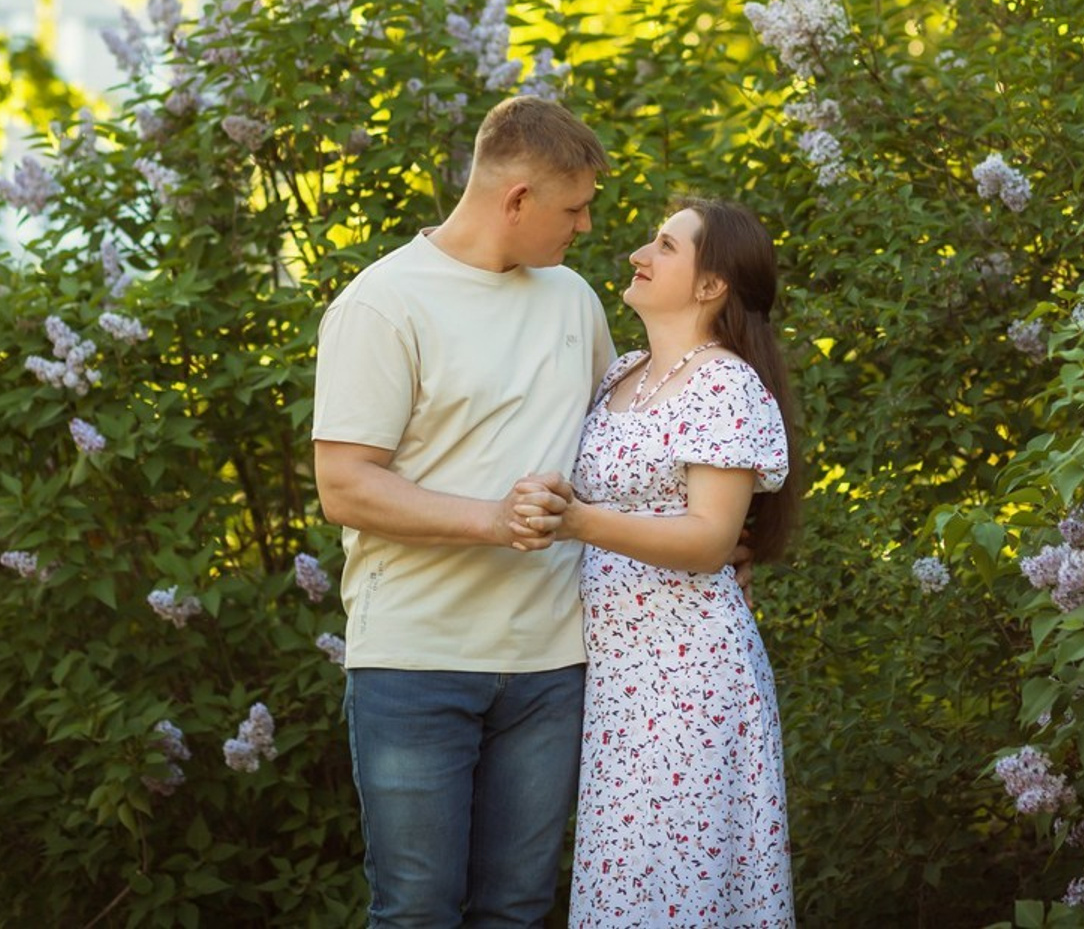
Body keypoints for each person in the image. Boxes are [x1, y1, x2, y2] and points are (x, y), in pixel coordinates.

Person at [311, 95, 615, 928]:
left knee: (517, 910)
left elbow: (611, 453)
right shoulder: (384, 304)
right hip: (417, 663)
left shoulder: (572, 300)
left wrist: (708, 537)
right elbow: (345, 485)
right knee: (416, 910)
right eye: (574, 208)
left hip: (553, 663)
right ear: (516, 199)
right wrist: (494, 521)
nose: (585, 228)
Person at [513, 197, 801, 928]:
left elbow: (708, 540)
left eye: (666, 247)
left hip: (691, 678)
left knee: (678, 889)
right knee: (628, 886)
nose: (640, 253)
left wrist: (577, 521)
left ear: (712, 286)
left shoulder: (724, 384)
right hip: (619, 679)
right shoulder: (624, 376)